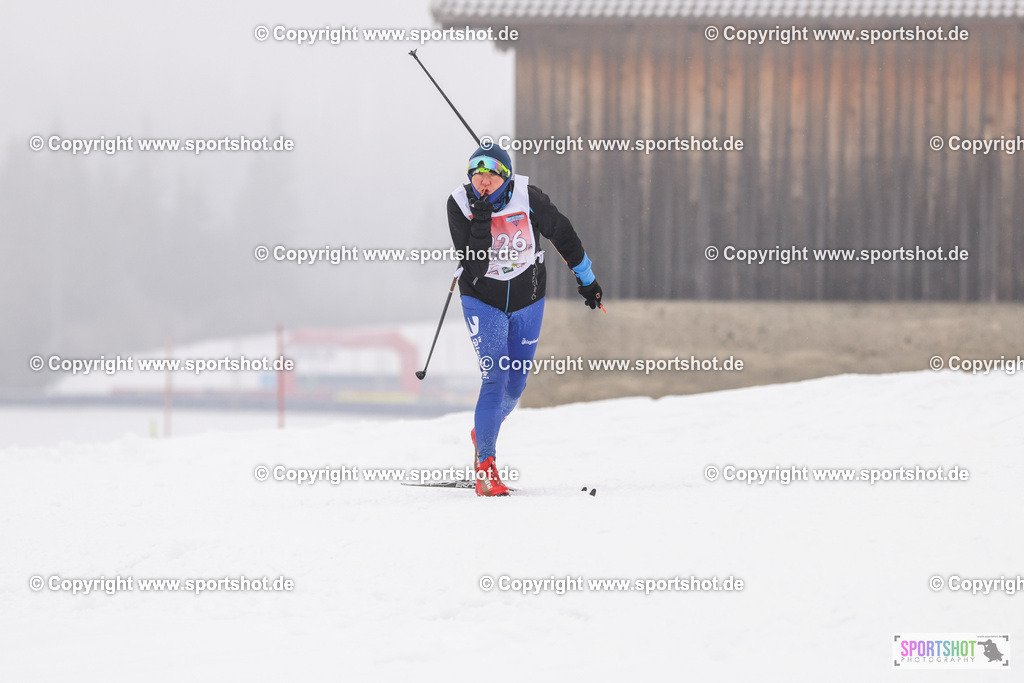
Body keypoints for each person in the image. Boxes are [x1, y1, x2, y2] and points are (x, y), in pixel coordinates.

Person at [447, 144, 603, 496]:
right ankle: (486, 467)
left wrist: (587, 278)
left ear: (504, 178)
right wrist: (482, 220)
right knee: (495, 376)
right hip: (482, 298)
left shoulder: (528, 196)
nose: (481, 185)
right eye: (475, 177)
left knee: (515, 385)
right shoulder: (459, 204)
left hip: (528, 297)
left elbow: (563, 234)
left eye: (489, 177)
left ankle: (485, 429)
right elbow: (474, 266)